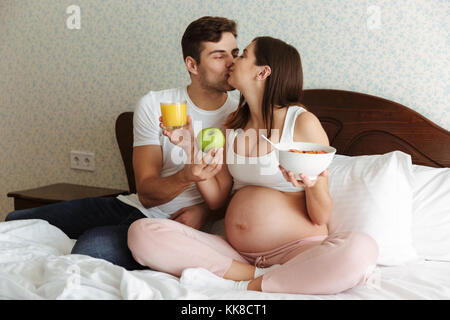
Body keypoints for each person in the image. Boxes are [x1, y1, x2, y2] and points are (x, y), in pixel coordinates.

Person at [127, 36, 379, 294]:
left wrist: (312, 185)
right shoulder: (232, 126)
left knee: (361, 247)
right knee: (142, 233)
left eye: (243, 54)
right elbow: (217, 200)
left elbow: (321, 216)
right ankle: (261, 278)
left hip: (298, 250)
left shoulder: (301, 123)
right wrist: (190, 147)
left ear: (263, 72)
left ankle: (255, 282)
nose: (233, 61)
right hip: (238, 254)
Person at [4, 16, 240, 270]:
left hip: (169, 227)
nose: (231, 64)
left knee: (90, 250)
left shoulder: (241, 116)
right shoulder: (156, 105)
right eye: (219, 56)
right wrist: (186, 176)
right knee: (15, 222)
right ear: (192, 65)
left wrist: (206, 212)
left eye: (235, 53)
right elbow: (147, 194)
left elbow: (238, 193)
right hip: (134, 206)